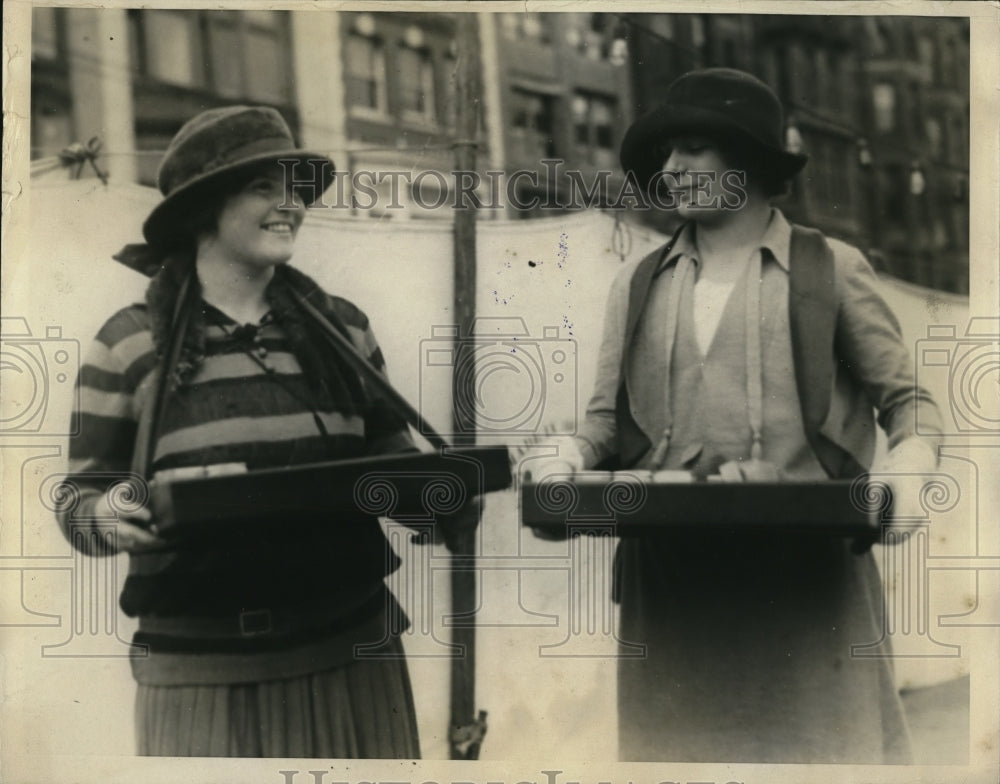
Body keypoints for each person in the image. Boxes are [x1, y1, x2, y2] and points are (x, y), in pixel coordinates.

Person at [538, 68, 944, 763]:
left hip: (805, 585)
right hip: (672, 589)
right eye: (665, 153)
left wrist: (910, 467)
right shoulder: (637, 282)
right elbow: (606, 423)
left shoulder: (830, 268)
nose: (671, 168)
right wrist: (567, 455)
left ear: (749, 158)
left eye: (693, 147)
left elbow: (910, 404)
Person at [56, 105, 462, 758]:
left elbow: (392, 465)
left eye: (295, 188)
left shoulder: (345, 331)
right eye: (262, 187)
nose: (290, 205)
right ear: (204, 210)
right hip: (202, 684)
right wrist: (104, 515)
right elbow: (79, 499)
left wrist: (441, 503)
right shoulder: (128, 344)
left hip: (353, 663)